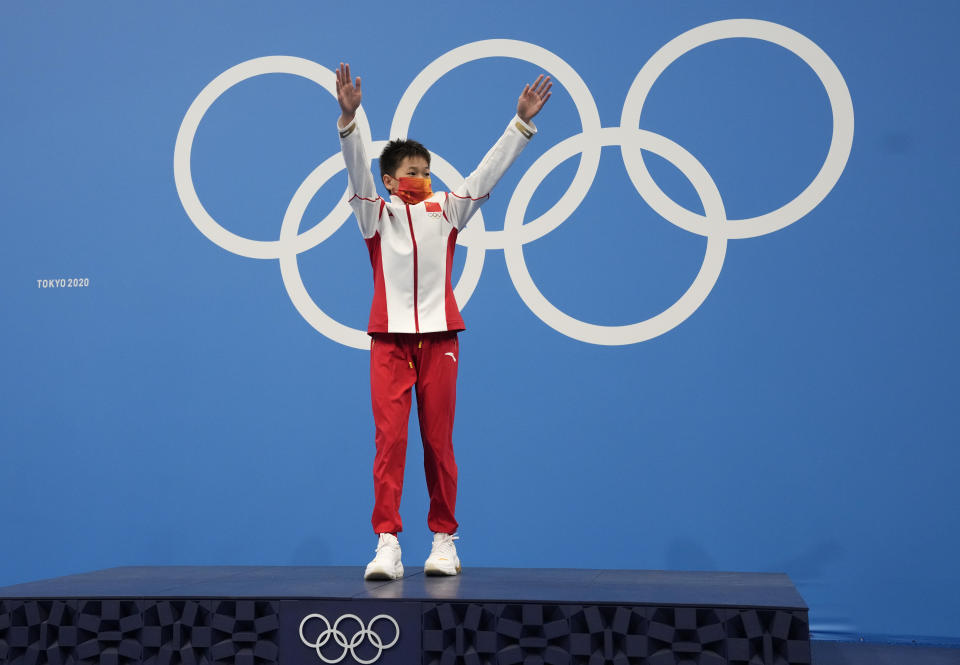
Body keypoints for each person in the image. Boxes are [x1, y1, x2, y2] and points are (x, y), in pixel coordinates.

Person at [335, 61, 551, 580]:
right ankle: (387, 541)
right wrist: (349, 123)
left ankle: (443, 539)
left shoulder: (447, 211)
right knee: (390, 442)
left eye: (426, 171)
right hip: (388, 342)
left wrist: (518, 126)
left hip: (440, 341)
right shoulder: (375, 216)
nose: (421, 179)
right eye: (411, 172)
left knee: (438, 441)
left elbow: (486, 174)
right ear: (389, 180)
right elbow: (354, 171)